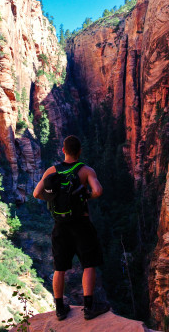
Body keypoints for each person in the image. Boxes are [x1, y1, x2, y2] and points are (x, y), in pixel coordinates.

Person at [33, 135, 110, 321]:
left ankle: (60, 309)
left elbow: (36, 193)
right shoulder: (86, 170)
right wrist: (85, 197)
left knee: (59, 268)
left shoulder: (52, 170)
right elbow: (98, 191)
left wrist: (51, 200)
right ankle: (89, 308)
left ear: (63, 150)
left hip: (60, 225)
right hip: (81, 223)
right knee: (88, 264)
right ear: (80, 151)